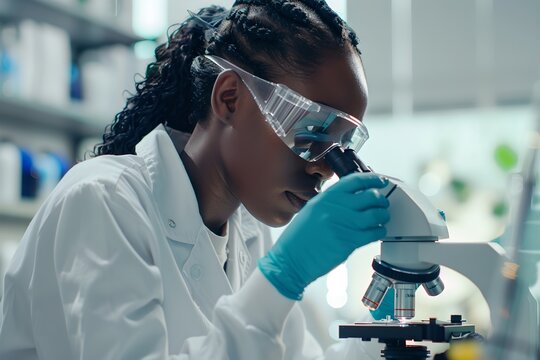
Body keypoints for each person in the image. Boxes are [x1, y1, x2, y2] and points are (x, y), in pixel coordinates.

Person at [0, 1, 392, 359]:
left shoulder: (248, 231)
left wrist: (379, 343)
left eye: (341, 145)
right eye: (310, 133)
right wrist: (282, 278)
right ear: (229, 99)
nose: (324, 167)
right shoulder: (104, 200)